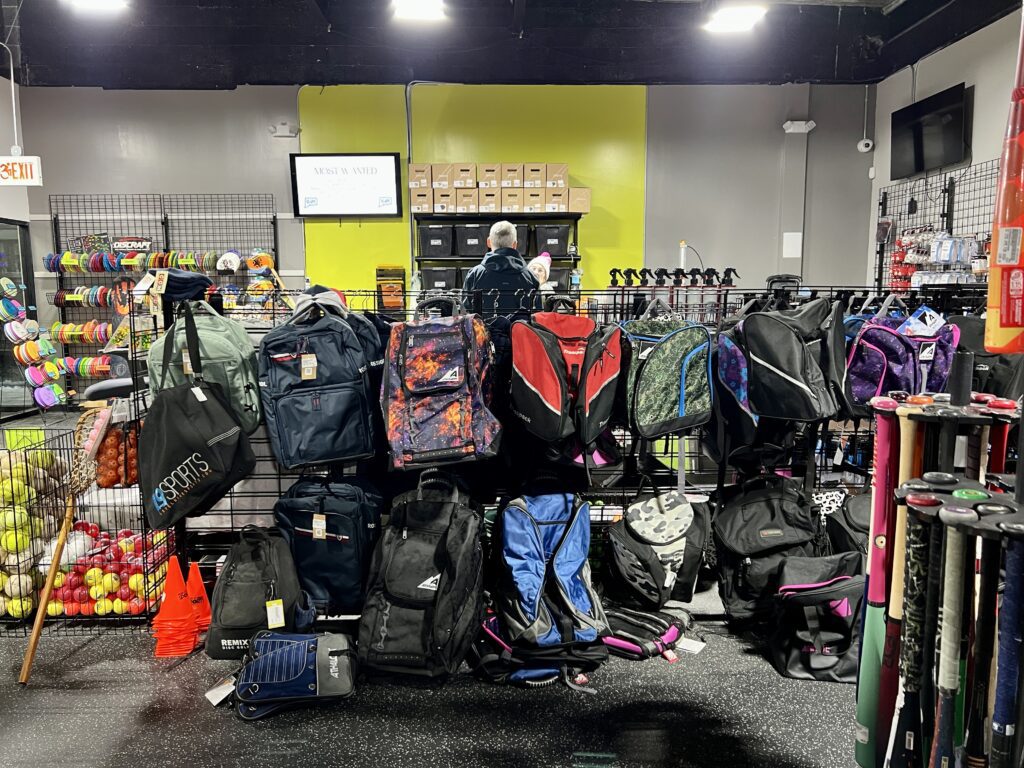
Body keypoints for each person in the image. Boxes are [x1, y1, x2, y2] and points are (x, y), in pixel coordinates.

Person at [462, 220, 538, 315]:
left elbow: (465, 311)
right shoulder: (530, 276)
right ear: (515, 245)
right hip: (520, 325)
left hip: (484, 325)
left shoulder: (475, 274)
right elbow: (537, 313)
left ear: (488, 242)